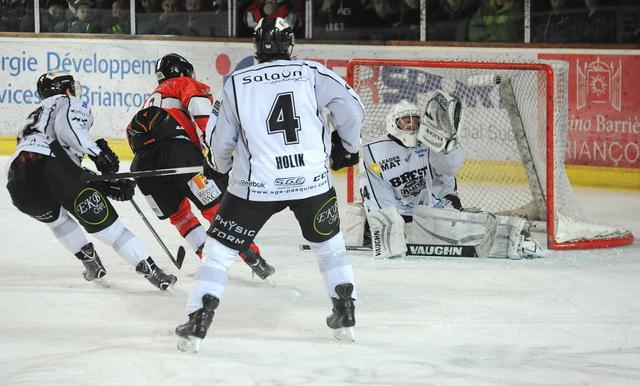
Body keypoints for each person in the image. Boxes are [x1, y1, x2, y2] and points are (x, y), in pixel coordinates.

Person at [175, 17, 364, 353]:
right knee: (330, 246)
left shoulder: (237, 82)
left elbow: (221, 141)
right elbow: (352, 108)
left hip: (256, 186)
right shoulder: (312, 72)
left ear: (256, 45)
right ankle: (344, 312)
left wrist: (217, 167)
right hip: (311, 182)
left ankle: (198, 320)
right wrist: (346, 146)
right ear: (290, 45)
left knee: (218, 252)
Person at [5, 72, 177, 291]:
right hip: (54, 169)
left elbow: (49, 159)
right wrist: (98, 154)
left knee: (56, 220)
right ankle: (153, 272)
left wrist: (97, 182)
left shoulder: (33, 115)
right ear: (66, 88)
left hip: (18, 179)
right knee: (112, 231)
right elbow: (66, 130)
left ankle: (90, 262)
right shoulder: (66, 101)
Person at [351, 93, 543, 260]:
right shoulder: (373, 152)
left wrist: (448, 146)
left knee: (460, 228)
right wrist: (388, 227)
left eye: (415, 120)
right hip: (402, 210)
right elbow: (378, 194)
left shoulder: (430, 140)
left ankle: (513, 235)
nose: (412, 125)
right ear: (393, 123)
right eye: (406, 120)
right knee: (364, 220)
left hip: (436, 205)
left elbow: (449, 169)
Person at [141, 53, 275, 281]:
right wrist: (217, 152)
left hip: (143, 166)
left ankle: (209, 258)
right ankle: (252, 256)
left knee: (180, 215)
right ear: (183, 71)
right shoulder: (183, 83)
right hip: (180, 155)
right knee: (216, 208)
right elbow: (202, 111)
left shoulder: (149, 101)